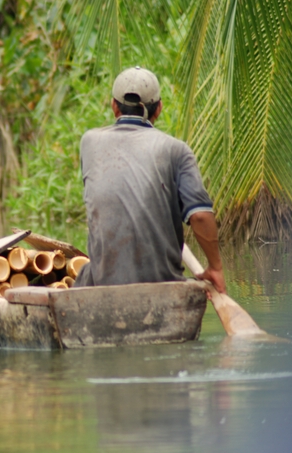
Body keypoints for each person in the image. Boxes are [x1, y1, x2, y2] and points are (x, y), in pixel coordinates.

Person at [73, 66, 226, 293]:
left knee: (84, 275)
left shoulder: (89, 143)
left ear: (114, 106)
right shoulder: (176, 150)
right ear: (159, 108)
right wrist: (216, 268)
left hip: (103, 284)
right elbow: (200, 216)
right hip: (163, 283)